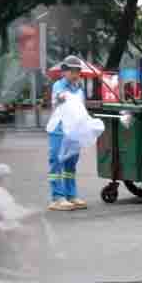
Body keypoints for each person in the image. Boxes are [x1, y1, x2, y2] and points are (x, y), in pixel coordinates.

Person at [47, 64, 89, 211]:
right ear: (64, 72)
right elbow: (58, 98)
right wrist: (61, 97)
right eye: (72, 71)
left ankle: (71, 195)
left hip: (74, 131)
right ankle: (57, 198)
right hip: (59, 129)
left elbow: (82, 109)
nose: (75, 74)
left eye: (78, 71)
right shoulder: (58, 85)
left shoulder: (79, 89)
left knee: (71, 165)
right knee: (57, 162)